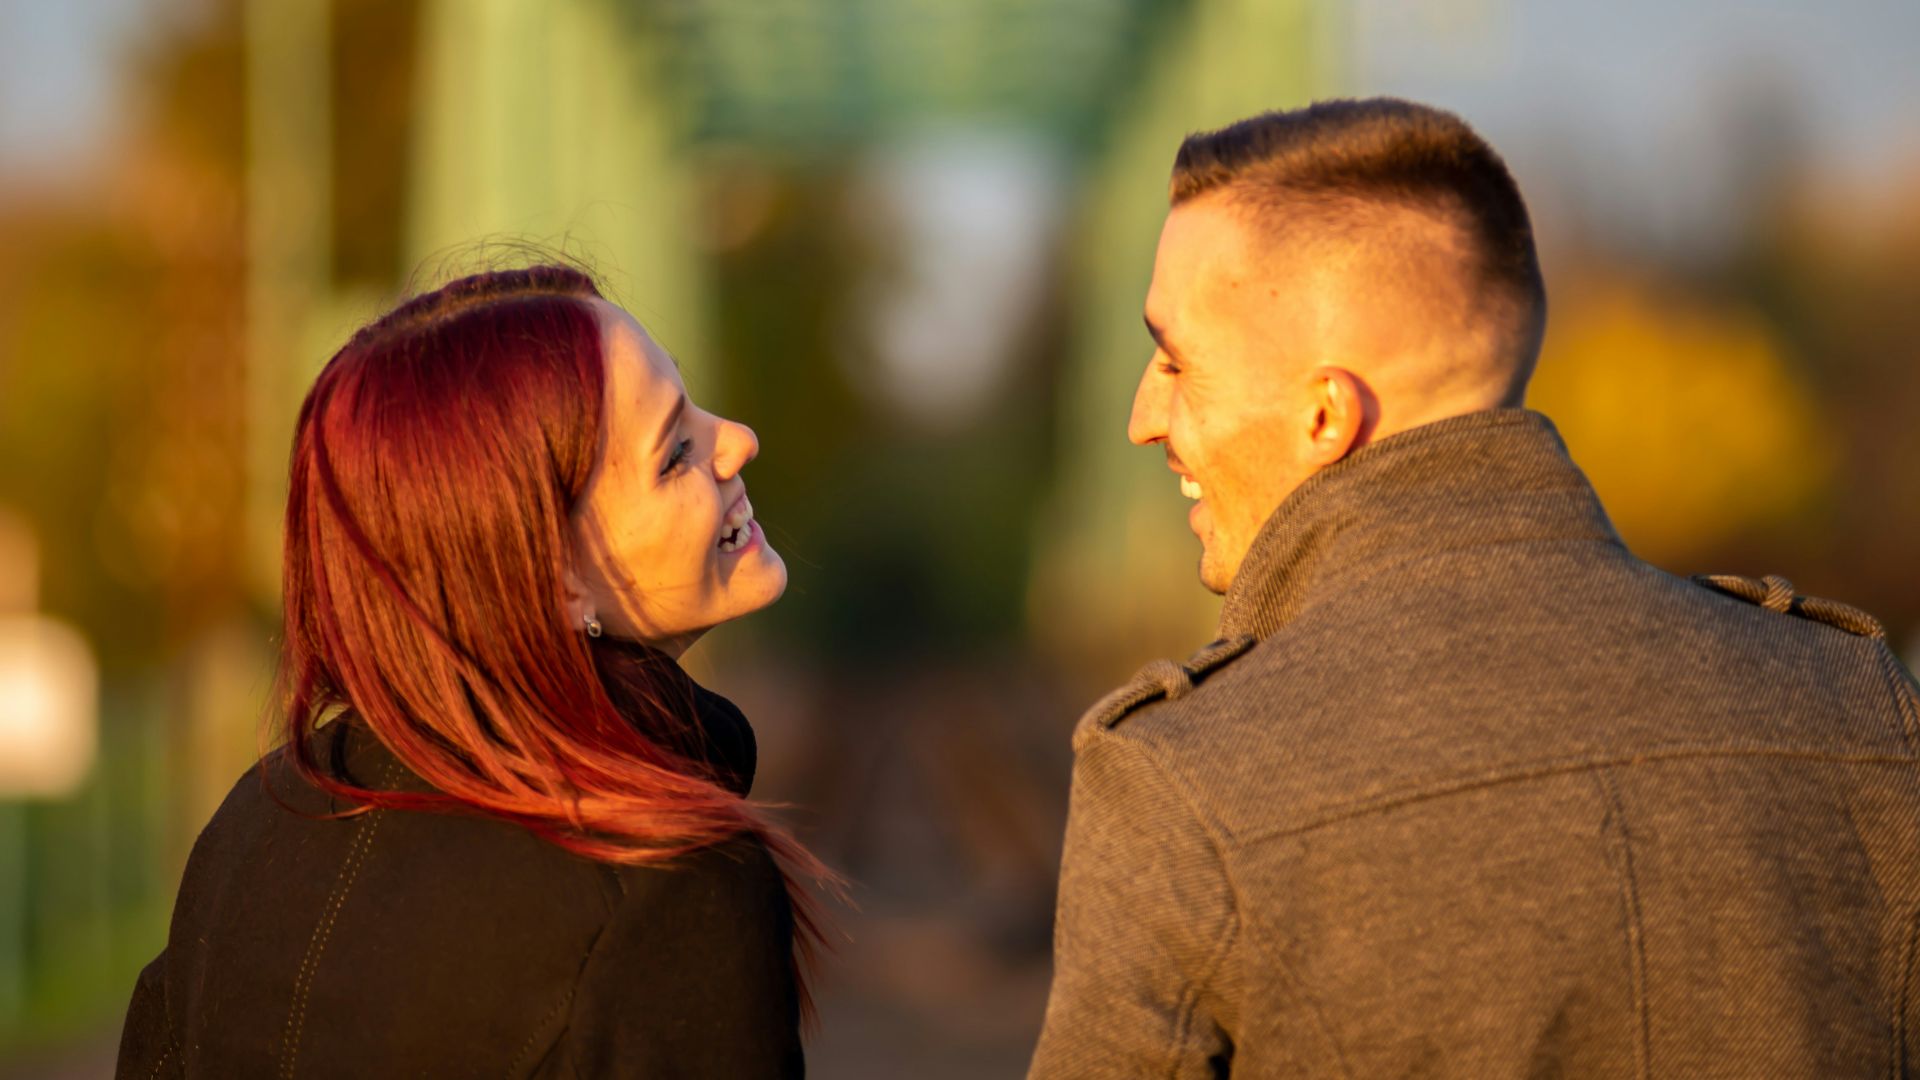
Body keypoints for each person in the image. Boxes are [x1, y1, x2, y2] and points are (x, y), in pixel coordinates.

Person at [1031, 98, 1920, 1077]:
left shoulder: (1185, 783)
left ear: (1327, 416)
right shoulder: (1856, 706)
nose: (1142, 417)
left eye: (1174, 360)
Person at [117, 266, 829, 1078]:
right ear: (550, 579)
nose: (736, 439)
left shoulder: (252, 829)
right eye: (675, 454)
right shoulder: (671, 891)